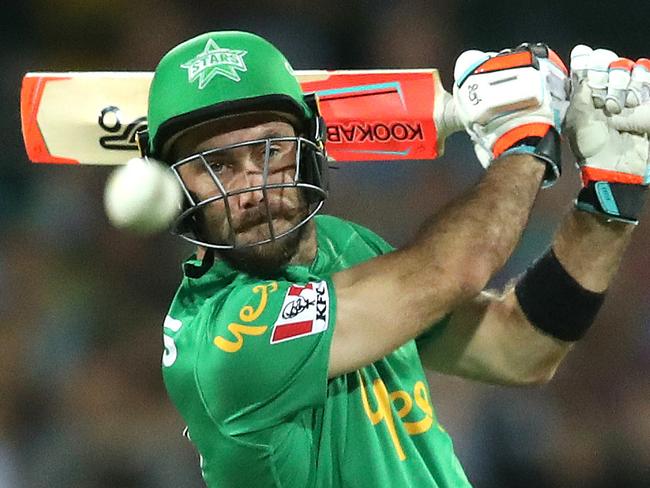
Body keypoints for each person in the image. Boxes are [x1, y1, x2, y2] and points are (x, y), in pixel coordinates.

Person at [145, 31, 649, 487]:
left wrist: (611, 199)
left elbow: (519, 349)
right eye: (216, 166)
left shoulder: (342, 248)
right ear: (176, 188)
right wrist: (523, 140)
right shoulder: (221, 346)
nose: (252, 187)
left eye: (271, 150)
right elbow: (456, 267)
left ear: (307, 148)